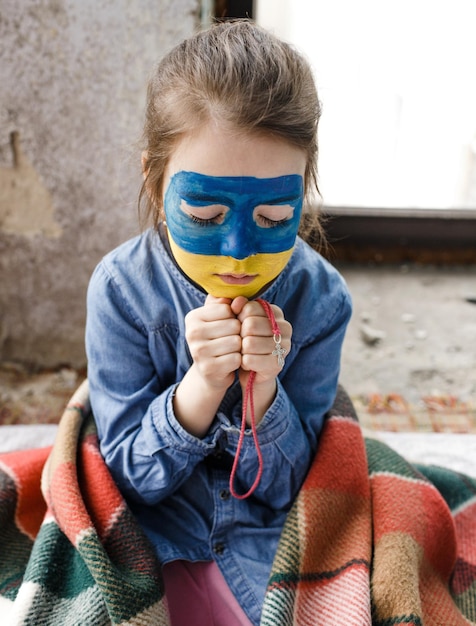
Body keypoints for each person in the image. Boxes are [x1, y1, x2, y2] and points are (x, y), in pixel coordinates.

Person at [85, 19, 352, 626]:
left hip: (265, 546)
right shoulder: (122, 291)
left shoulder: (322, 299)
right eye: (204, 213)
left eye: (273, 214)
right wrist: (202, 386)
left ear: (304, 188)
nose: (237, 252)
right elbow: (130, 479)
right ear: (155, 182)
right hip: (153, 540)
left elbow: (287, 490)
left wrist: (264, 392)